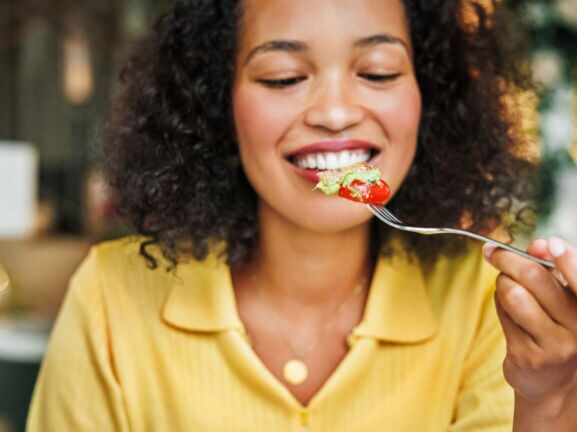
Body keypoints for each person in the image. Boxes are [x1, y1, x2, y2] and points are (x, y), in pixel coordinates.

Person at [27, 0, 577, 430]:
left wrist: (549, 399)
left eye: (379, 72)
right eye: (284, 77)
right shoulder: (110, 300)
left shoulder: (488, 301)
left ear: (427, 98)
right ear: (219, 103)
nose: (335, 113)